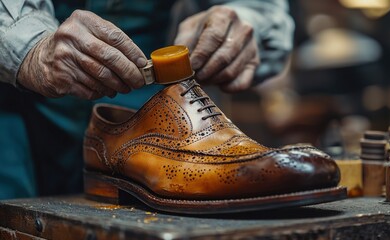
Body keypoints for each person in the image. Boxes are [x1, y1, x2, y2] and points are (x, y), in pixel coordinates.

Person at [0, 0, 294, 199]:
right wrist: (26, 44)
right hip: (12, 114)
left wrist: (243, 20)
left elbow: (261, 7)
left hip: (151, 116)